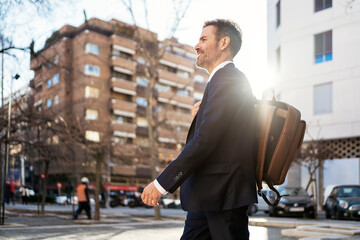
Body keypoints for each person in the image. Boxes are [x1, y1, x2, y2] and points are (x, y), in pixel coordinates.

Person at [141, 19, 257, 240]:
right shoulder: (221, 82)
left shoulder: (229, 79)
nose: (197, 45)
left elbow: (205, 140)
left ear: (224, 43)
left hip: (224, 195)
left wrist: (162, 183)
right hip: (207, 194)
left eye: (204, 39)